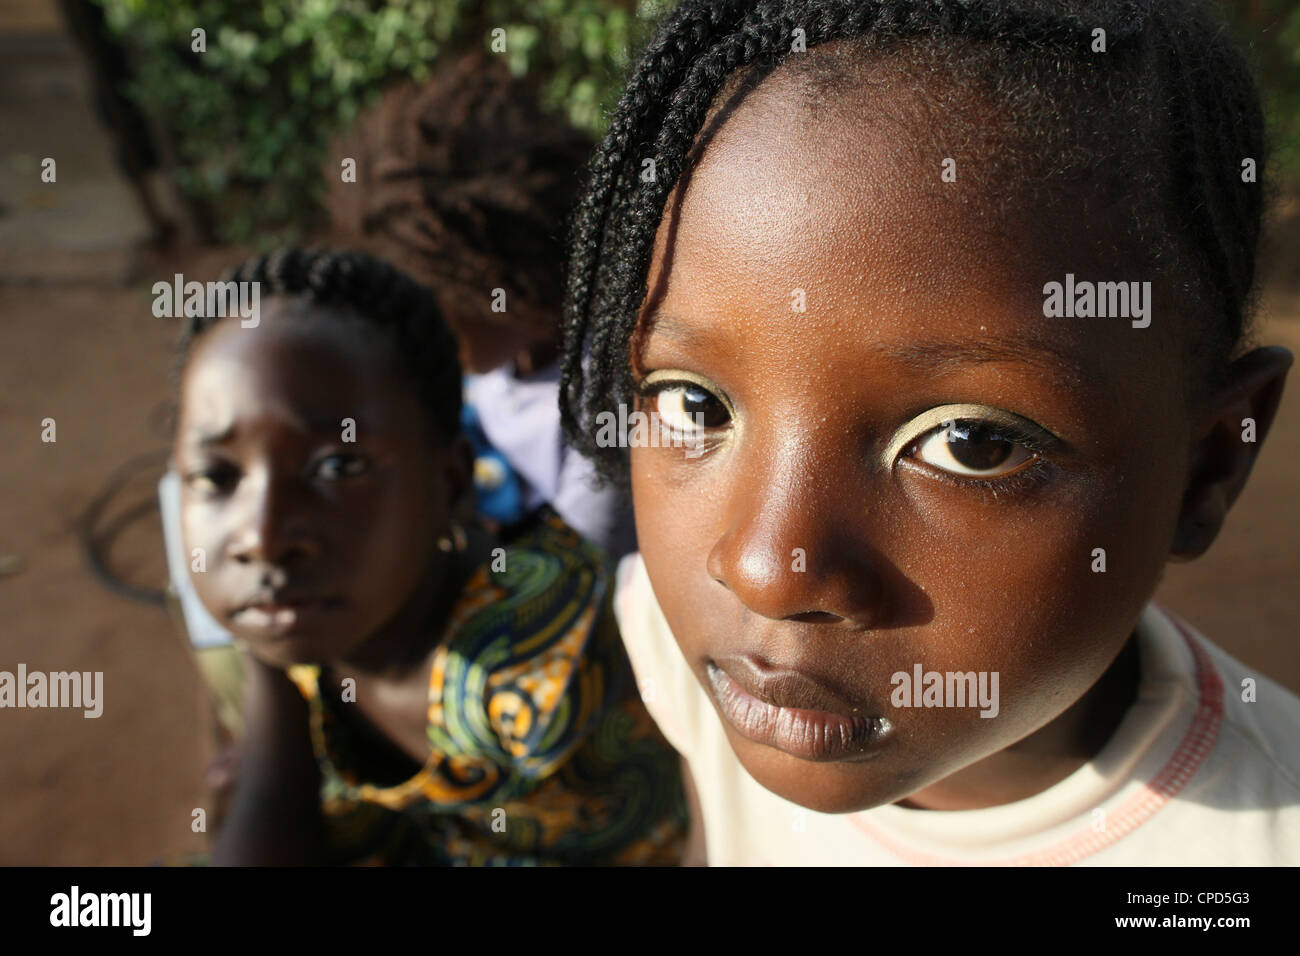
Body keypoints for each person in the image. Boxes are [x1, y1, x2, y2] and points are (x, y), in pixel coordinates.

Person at [560, 0, 1300, 865]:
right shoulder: (637, 665)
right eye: (696, 405)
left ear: (1207, 464)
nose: (768, 569)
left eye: (972, 444)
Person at [172, 247, 684, 865]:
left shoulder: (537, 667)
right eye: (215, 475)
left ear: (450, 483)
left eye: (338, 466)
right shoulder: (304, 620)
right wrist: (269, 676)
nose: (263, 536)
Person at [325, 50, 637, 557]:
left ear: (505, 292)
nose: (418, 342)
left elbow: (578, 565)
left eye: (437, 323)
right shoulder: (494, 360)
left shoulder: (606, 407)